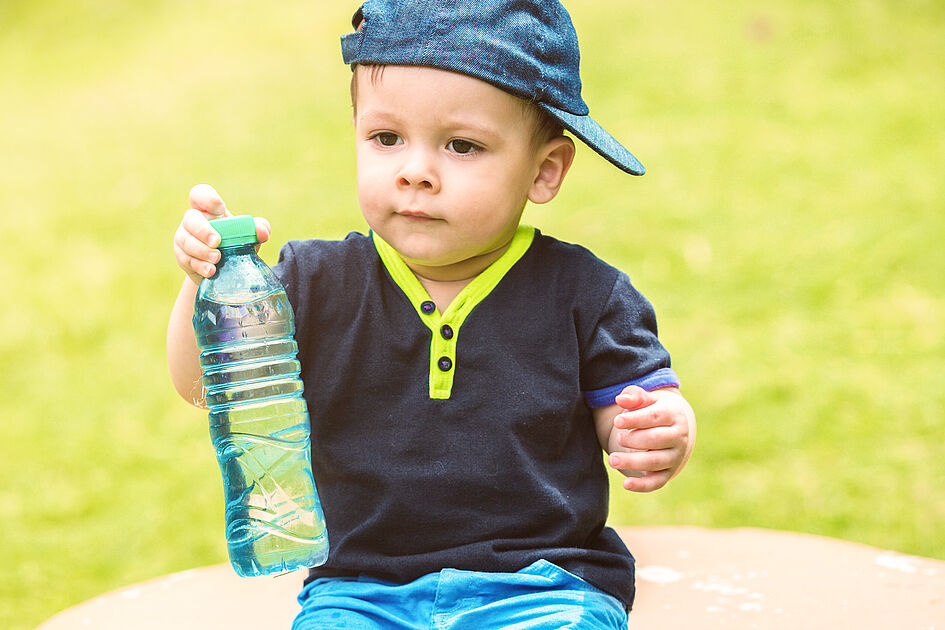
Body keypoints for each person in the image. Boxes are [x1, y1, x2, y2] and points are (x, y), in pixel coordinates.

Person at [167, 1, 696, 628]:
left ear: (545, 169)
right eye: (386, 138)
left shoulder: (585, 292)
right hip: (359, 590)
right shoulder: (312, 283)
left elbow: (630, 412)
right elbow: (203, 384)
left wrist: (657, 430)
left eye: (462, 145)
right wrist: (204, 281)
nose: (415, 172)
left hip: (543, 585)